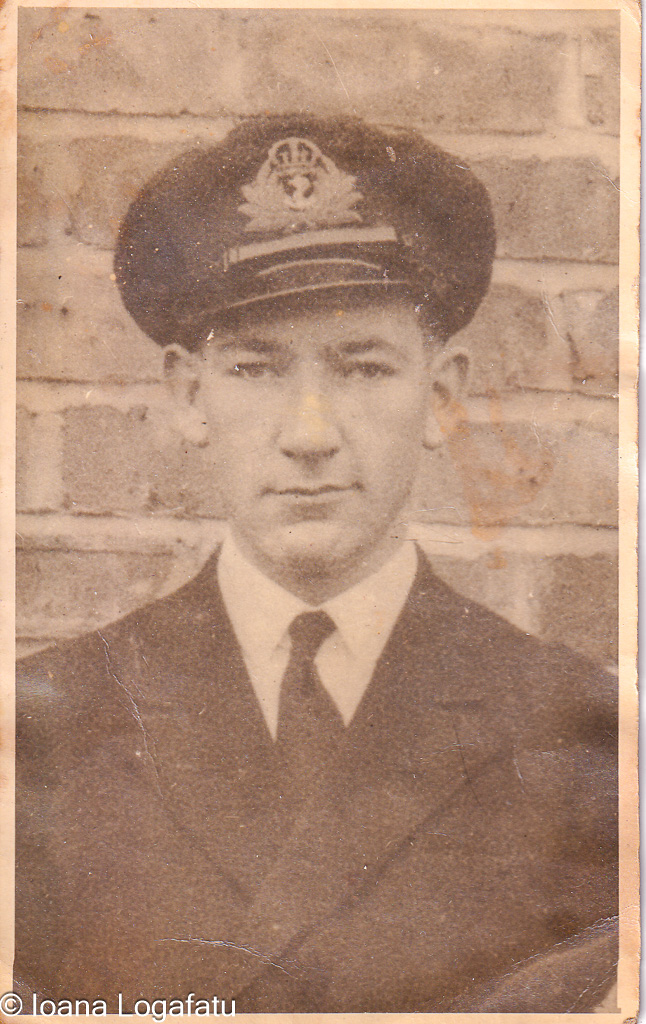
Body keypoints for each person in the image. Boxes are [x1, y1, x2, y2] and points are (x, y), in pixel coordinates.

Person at [15, 114, 618, 1013]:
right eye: (256, 371)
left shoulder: (580, 727)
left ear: (443, 394)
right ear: (188, 396)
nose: (309, 436)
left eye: (364, 368)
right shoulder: (46, 725)